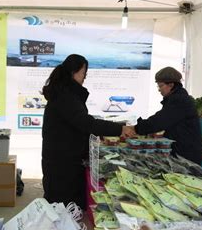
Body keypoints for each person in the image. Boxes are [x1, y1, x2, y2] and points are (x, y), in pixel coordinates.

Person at [41, 54, 135, 208]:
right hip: (62, 160)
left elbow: (80, 122)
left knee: (67, 203)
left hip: (65, 155)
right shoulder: (65, 96)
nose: (85, 77)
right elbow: (85, 122)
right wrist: (120, 129)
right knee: (62, 204)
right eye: (84, 72)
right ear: (74, 72)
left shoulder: (65, 92)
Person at [134, 66, 202, 164]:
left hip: (186, 155)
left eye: (161, 86)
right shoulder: (175, 98)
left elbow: (160, 121)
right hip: (182, 151)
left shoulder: (179, 101)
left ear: (171, 85)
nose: (159, 89)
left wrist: (137, 128)